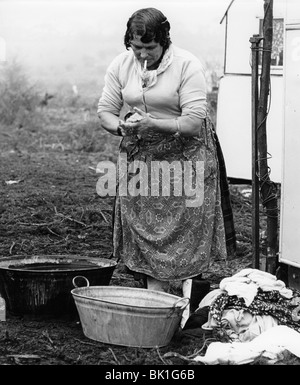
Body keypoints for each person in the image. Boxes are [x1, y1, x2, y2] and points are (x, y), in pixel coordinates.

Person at [97, 8, 236, 321]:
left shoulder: (187, 65)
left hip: (185, 153)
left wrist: (152, 123)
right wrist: (121, 127)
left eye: (150, 47)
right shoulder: (121, 65)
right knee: (145, 225)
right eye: (137, 48)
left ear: (164, 40)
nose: (143, 54)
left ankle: (192, 302)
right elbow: (105, 110)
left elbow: (191, 122)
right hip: (141, 157)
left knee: (187, 224)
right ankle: (154, 299)